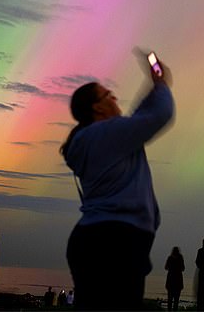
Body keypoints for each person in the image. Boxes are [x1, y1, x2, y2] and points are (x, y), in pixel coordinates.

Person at [61, 53, 175, 310]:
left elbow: (136, 122)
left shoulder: (95, 139)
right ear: (97, 108)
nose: (114, 97)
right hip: (116, 244)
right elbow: (158, 115)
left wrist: (154, 86)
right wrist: (161, 85)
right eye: (108, 95)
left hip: (96, 240)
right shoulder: (106, 135)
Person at [165, 246, 185, 311]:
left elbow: (166, 267)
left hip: (170, 280)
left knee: (170, 299)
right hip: (178, 280)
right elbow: (183, 268)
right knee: (176, 300)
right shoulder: (180, 258)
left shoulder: (170, 258)